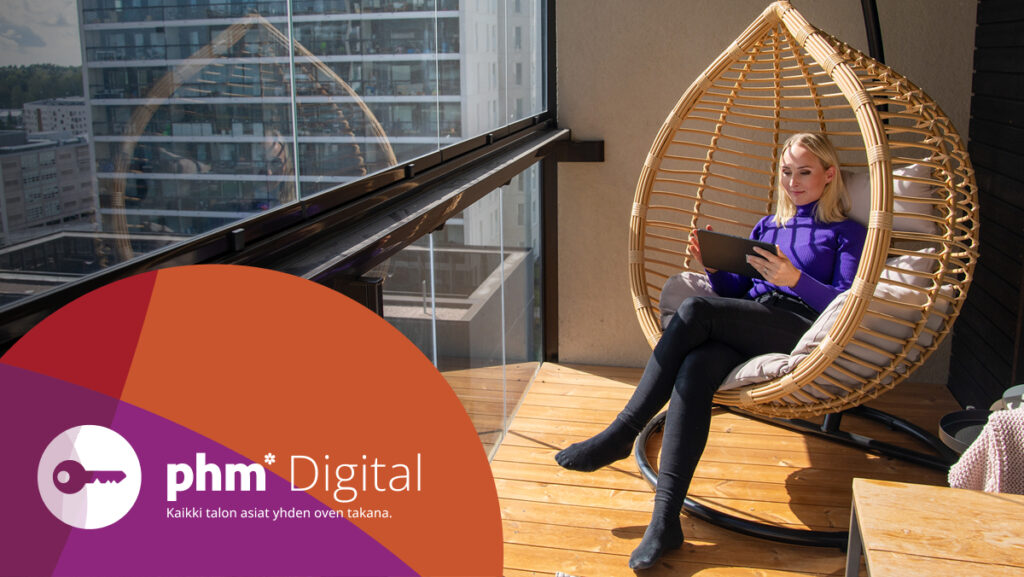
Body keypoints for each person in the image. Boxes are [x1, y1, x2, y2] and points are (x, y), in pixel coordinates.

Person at [554, 133, 867, 569]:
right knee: (696, 367)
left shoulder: (847, 233)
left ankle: (623, 431)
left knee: (695, 309)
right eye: (786, 172)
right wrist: (715, 268)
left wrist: (794, 279)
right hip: (751, 318)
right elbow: (737, 293)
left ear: (829, 175)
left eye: (804, 172)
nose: (793, 181)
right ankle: (665, 521)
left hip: (798, 327)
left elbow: (846, 302)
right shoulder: (768, 227)